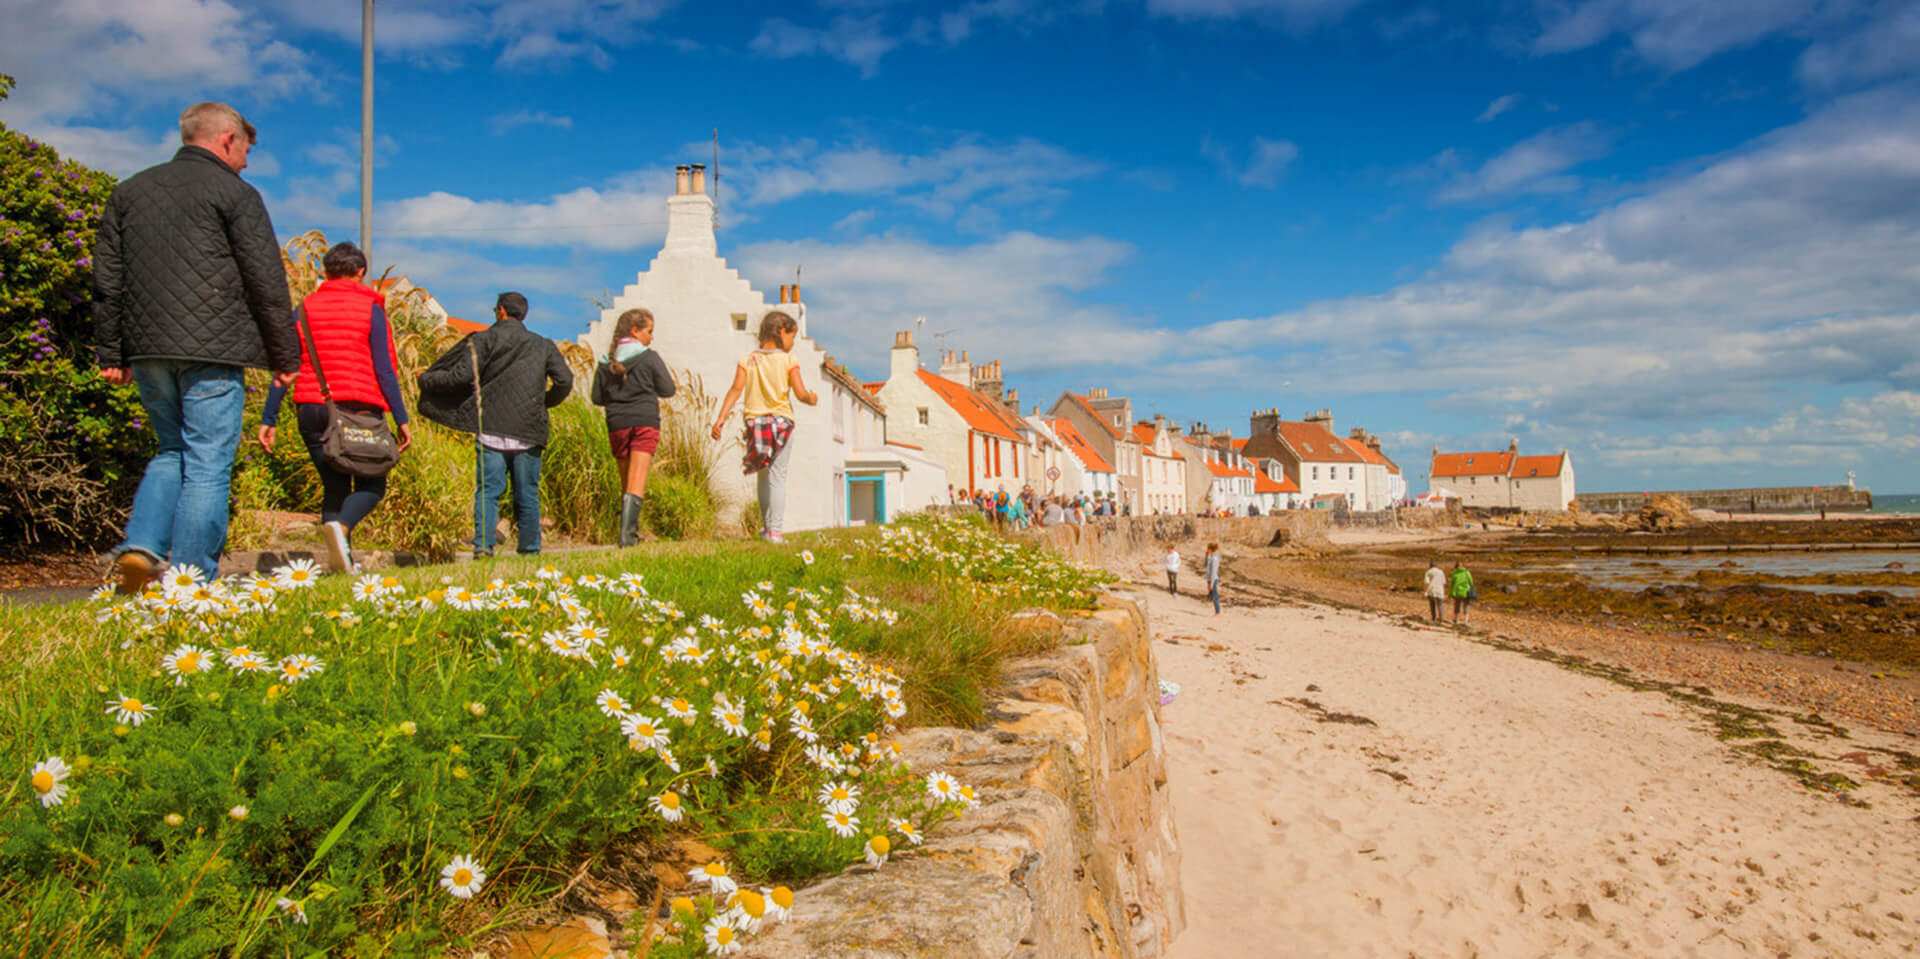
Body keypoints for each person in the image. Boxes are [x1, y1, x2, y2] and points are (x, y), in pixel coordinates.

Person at [95, 102, 297, 592]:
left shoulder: (128, 193)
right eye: (246, 148)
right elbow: (265, 280)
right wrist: (286, 356)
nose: (247, 161)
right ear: (227, 139)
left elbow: (108, 279)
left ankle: (141, 546)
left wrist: (111, 353)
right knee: (208, 461)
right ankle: (189, 583)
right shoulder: (235, 193)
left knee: (172, 451)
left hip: (147, 349)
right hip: (213, 349)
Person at [257, 242, 412, 573]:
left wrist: (269, 416)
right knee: (373, 483)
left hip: (313, 408)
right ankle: (341, 529)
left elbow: (286, 365)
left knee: (335, 486)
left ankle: (341, 564)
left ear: (325, 272)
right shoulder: (371, 309)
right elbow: (384, 368)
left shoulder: (304, 308)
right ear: (361, 273)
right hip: (358, 409)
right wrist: (401, 418)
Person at [417, 292, 573, 557]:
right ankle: (530, 547)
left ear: (500, 311)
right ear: (523, 314)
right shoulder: (543, 345)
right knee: (527, 493)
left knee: (488, 490)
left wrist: (426, 380)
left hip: (490, 426)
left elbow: (459, 376)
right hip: (528, 429)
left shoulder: (483, 340)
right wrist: (544, 402)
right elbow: (565, 381)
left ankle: (483, 546)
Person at [711, 311, 816, 543]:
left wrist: (720, 419)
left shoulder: (746, 360)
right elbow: (800, 393)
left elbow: (735, 390)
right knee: (778, 477)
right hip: (781, 422)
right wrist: (811, 398)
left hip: (755, 423)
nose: (793, 342)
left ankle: (767, 528)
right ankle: (775, 532)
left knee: (763, 476)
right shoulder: (789, 361)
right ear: (781, 332)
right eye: (792, 335)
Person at [591, 308, 676, 547]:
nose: (651, 337)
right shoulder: (649, 357)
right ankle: (627, 536)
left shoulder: (607, 360)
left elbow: (596, 397)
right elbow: (668, 389)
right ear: (635, 331)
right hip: (644, 421)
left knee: (625, 480)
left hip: (616, 423)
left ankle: (629, 532)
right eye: (649, 331)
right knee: (636, 479)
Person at [1449, 560, 1475, 624]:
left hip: (1457, 592)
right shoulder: (1466, 572)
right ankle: (1466, 620)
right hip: (1465, 591)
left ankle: (1455, 619)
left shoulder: (1454, 573)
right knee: (1466, 605)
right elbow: (1471, 582)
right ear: (1463, 566)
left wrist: (1451, 593)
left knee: (1457, 605)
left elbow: (1452, 584)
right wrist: (1472, 588)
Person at [1423, 559, 1447, 623]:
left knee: (1432, 604)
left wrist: (1425, 590)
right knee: (1440, 604)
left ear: (1430, 565)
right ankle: (1441, 618)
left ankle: (1434, 617)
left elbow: (1426, 582)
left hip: (1431, 589)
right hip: (1440, 589)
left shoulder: (1428, 572)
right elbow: (1444, 582)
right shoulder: (1441, 572)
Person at [1204, 542, 1222, 616]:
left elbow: (1214, 572)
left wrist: (1211, 583)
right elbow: (1205, 565)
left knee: (1215, 596)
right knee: (1212, 595)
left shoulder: (1214, 558)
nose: (1207, 550)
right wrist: (1206, 556)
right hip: (1210, 579)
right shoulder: (1211, 557)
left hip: (1213, 579)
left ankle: (1217, 612)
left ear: (1210, 549)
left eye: (1208, 548)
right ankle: (1216, 611)